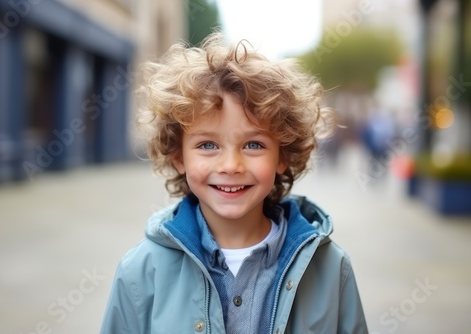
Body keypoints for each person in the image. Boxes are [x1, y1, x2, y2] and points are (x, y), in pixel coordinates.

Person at [100, 32, 368, 334]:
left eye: (253, 145)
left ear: (282, 156)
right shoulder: (140, 272)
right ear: (178, 156)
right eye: (207, 145)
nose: (230, 166)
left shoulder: (332, 269)